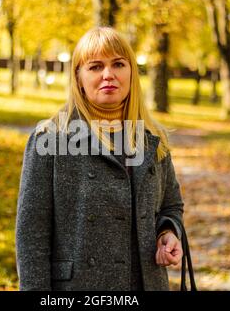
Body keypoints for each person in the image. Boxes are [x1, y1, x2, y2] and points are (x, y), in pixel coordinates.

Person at [16, 27, 186, 291]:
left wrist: (168, 232)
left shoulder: (152, 139)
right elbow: (32, 237)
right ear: (78, 78)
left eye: (118, 64)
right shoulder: (49, 140)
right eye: (95, 67)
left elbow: (171, 205)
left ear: (131, 72)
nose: (109, 75)